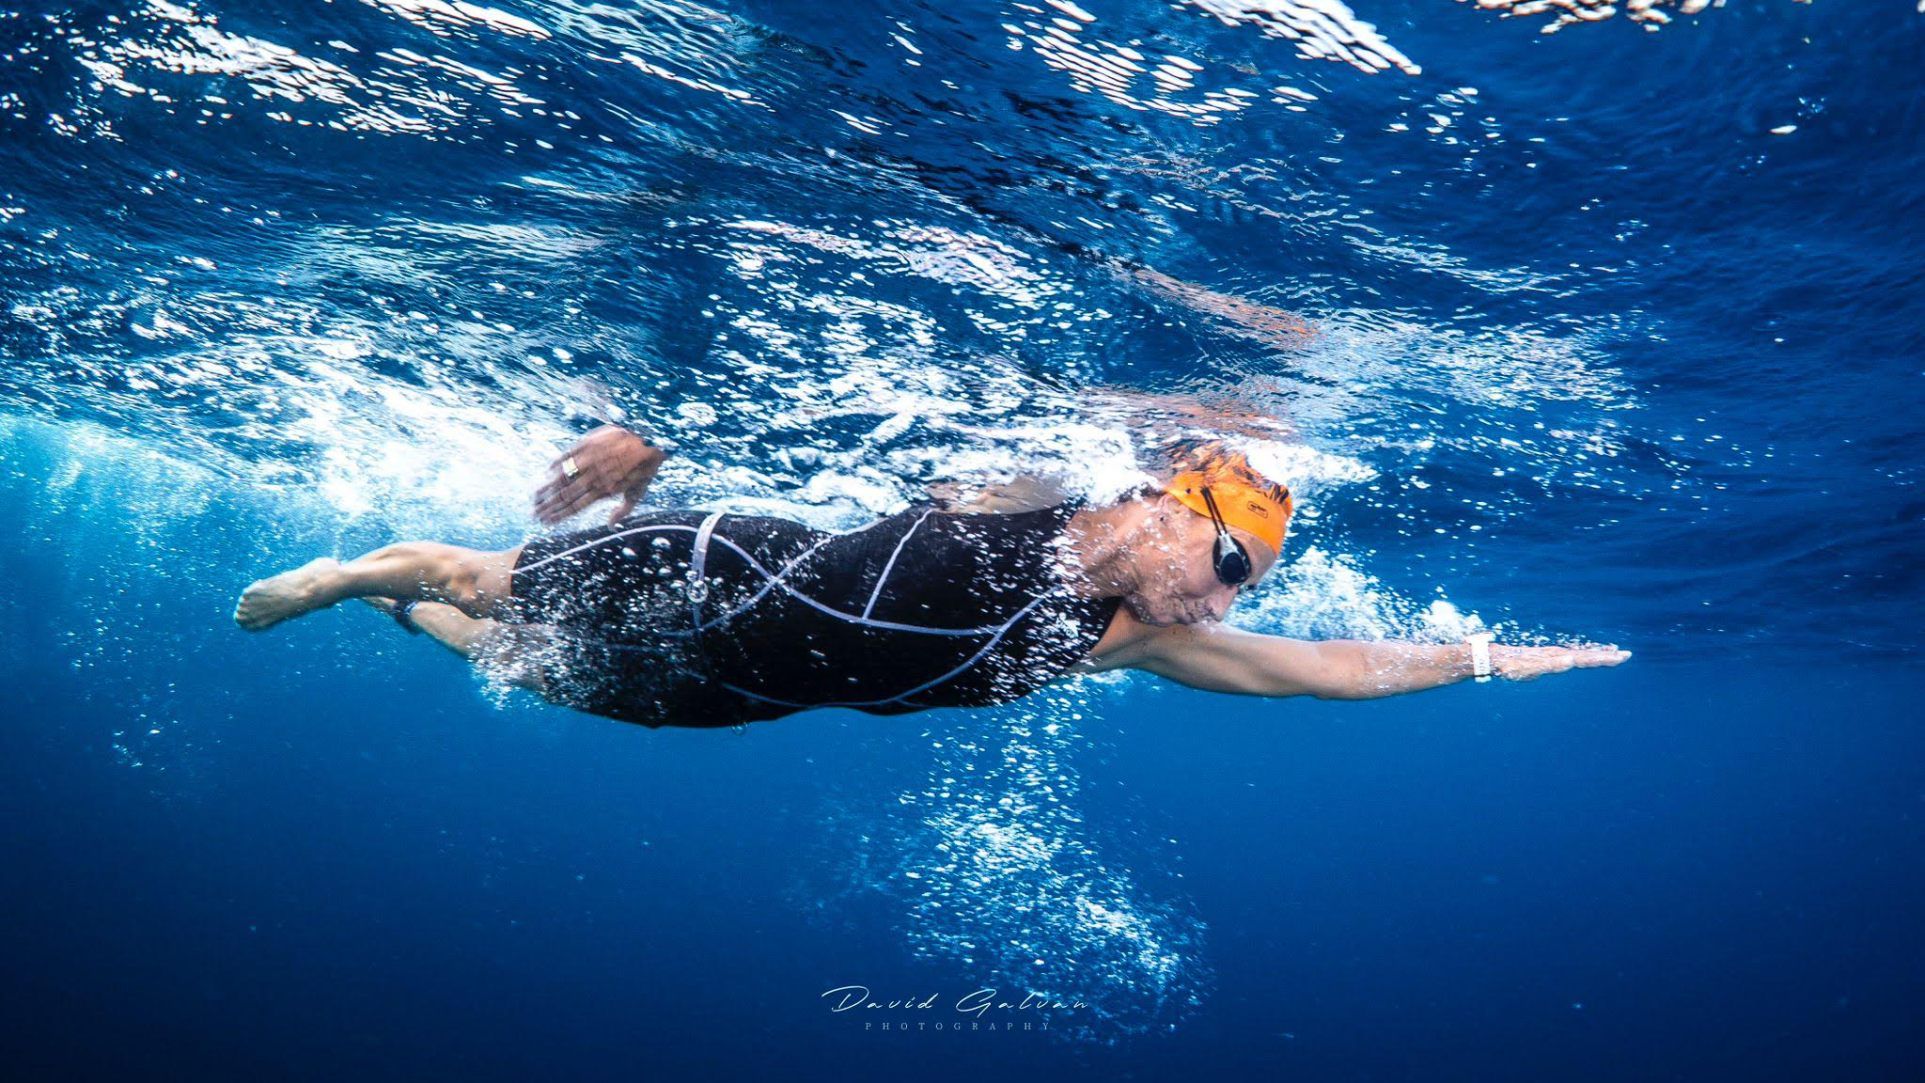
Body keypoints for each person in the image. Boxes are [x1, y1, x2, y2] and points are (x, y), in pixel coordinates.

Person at [233, 426, 1628, 728]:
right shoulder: (1034, 487)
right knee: (479, 584)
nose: (1222, 601)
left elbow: (1329, 673)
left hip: (741, 693)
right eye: (1222, 559)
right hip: (715, 561)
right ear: (1158, 503)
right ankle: (353, 572)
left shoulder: (1124, 639)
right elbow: (821, 421)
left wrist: (1499, 660)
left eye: (1245, 585)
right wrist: (650, 441)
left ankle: (373, 598)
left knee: (509, 669)